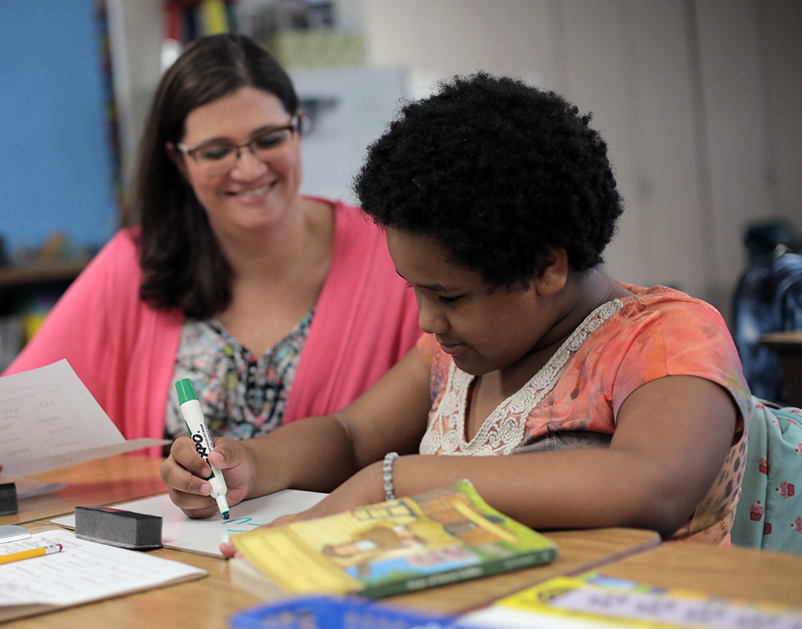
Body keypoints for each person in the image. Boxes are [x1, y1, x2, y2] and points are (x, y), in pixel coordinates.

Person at [162, 73, 752, 548]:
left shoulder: (665, 338)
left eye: (448, 296)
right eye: (414, 290)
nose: (426, 321)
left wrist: (393, 484)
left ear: (547, 265)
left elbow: (649, 486)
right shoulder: (459, 352)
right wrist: (249, 463)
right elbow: (349, 435)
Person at [0, 34, 421, 493]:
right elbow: (9, 419)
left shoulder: (391, 252)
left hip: (338, 552)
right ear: (179, 160)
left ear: (298, 128)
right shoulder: (135, 262)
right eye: (217, 151)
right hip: (172, 564)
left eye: (269, 139)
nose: (250, 168)